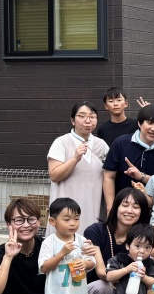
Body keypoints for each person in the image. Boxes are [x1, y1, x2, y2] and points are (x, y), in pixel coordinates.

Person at [83, 187, 151, 294]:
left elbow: (148, 270)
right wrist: (123, 272)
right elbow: (101, 271)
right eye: (125, 205)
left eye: (136, 207)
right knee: (103, 286)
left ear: (142, 211)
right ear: (115, 207)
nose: (130, 210)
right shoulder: (96, 231)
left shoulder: (141, 239)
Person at [46, 101, 109, 236]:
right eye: (82, 116)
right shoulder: (61, 142)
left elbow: (110, 176)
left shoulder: (101, 145)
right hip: (66, 209)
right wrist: (75, 158)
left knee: (90, 240)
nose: (88, 121)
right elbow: (54, 175)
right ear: (72, 121)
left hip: (93, 207)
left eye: (92, 116)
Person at [102, 104, 154, 211]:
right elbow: (109, 177)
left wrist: (141, 176)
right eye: (150, 123)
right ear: (139, 123)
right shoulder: (120, 143)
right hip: (122, 209)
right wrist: (110, 208)